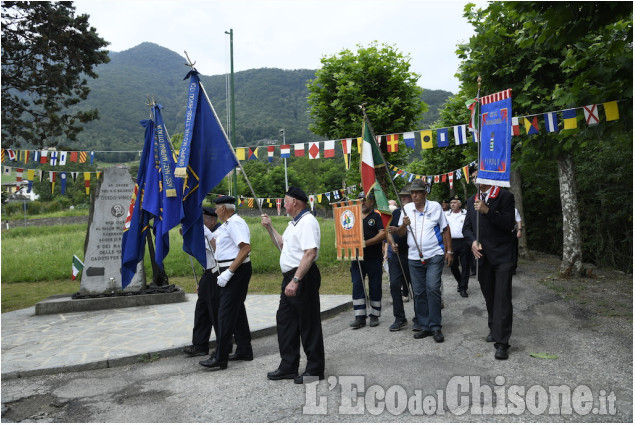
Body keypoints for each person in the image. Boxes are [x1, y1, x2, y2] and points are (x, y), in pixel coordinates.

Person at [260, 187, 325, 384]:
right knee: (286, 322)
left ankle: (315, 370)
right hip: (290, 276)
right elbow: (282, 245)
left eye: (285, 200)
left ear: (295, 202)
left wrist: (296, 280)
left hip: (302, 276)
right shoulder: (294, 223)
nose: (284, 203)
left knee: (308, 323)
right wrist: (270, 228)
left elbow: (310, 253)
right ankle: (288, 366)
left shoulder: (307, 222)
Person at [462, 173, 516, 360]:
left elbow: (509, 224)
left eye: (479, 175)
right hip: (482, 257)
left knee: (502, 298)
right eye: (474, 176)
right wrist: (472, 242)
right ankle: (494, 327)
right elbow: (466, 228)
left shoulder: (504, 196)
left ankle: (502, 342)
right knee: (490, 296)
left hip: (502, 256)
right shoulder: (471, 200)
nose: (476, 179)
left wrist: (488, 211)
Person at [199, 196, 253, 370]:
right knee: (237, 312)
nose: (215, 211)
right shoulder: (227, 225)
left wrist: (229, 272)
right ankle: (244, 349)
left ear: (223, 209)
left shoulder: (235, 223)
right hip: (226, 271)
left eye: (216, 208)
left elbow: (245, 248)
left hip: (235, 272)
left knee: (225, 314)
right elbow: (215, 243)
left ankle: (220, 357)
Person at [395, 179, 452, 343]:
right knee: (419, 292)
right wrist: (403, 225)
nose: (414, 195)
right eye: (412, 193)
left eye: (417, 192)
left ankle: (436, 327)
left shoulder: (435, 207)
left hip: (434, 254)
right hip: (414, 257)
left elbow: (445, 229)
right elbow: (400, 234)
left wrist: (449, 251)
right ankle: (425, 326)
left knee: (432, 288)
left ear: (425, 193)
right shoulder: (406, 209)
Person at [183, 207, 221, 357]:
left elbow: (217, 251)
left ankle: (223, 345)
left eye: (203, 220)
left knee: (216, 311)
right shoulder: (207, 232)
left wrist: (207, 234)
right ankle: (199, 345)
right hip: (208, 273)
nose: (202, 225)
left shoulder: (219, 232)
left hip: (218, 274)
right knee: (202, 310)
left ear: (212, 220)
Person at [349, 192, 386, 329]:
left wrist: (365, 243)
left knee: (375, 285)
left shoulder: (376, 216)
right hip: (356, 258)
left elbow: (382, 234)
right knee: (357, 285)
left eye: (365, 200)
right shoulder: (352, 217)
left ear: (371, 202)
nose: (362, 202)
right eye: (360, 200)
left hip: (374, 258)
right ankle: (359, 317)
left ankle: (375, 315)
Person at [386, 185, 413, 331]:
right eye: (401, 195)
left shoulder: (417, 212)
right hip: (396, 254)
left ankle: (420, 317)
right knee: (395, 285)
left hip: (412, 253)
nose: (403, 198)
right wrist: (392, 243)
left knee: (416, 286)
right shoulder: (396, 212)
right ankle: (399, 318)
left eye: (406, 195)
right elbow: (388, 231)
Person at [446, 195, 470, 298]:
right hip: (452, 242)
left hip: (464, 241)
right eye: (451, 203)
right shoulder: (446, 214)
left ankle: (463, 288)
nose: (452, 204)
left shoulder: (466, 214)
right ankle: (460, 282)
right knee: (452, 265)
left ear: (459, 204)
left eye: (455, 202)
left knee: (465, 265)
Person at [512, 208, 522, 274]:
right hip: (501, 233)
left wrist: (519, 230)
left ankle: (513, 268)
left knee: (514, 250)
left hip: (512, 232)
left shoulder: (514, 210)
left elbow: (518, 220)